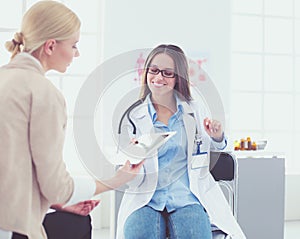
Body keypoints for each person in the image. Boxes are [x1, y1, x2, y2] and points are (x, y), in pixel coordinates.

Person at [0, 1, 143, 239]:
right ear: (51, 46)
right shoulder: (43, 93)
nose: (77, 53)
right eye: (74, 45)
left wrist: (57, 204)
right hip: (11, 225)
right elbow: (56, 186)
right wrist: (116, 180)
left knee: (73, 220)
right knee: (78, 225)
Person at [116, 44, 246, 239]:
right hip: (146, 198)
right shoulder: (132, 116)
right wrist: (132, 159)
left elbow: (214, 149)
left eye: (167, 73)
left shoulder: (194, 110)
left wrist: (217, 136)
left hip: (187, 196)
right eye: (154, 70)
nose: (159, 78)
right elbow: (128, 172)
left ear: (179, 77)